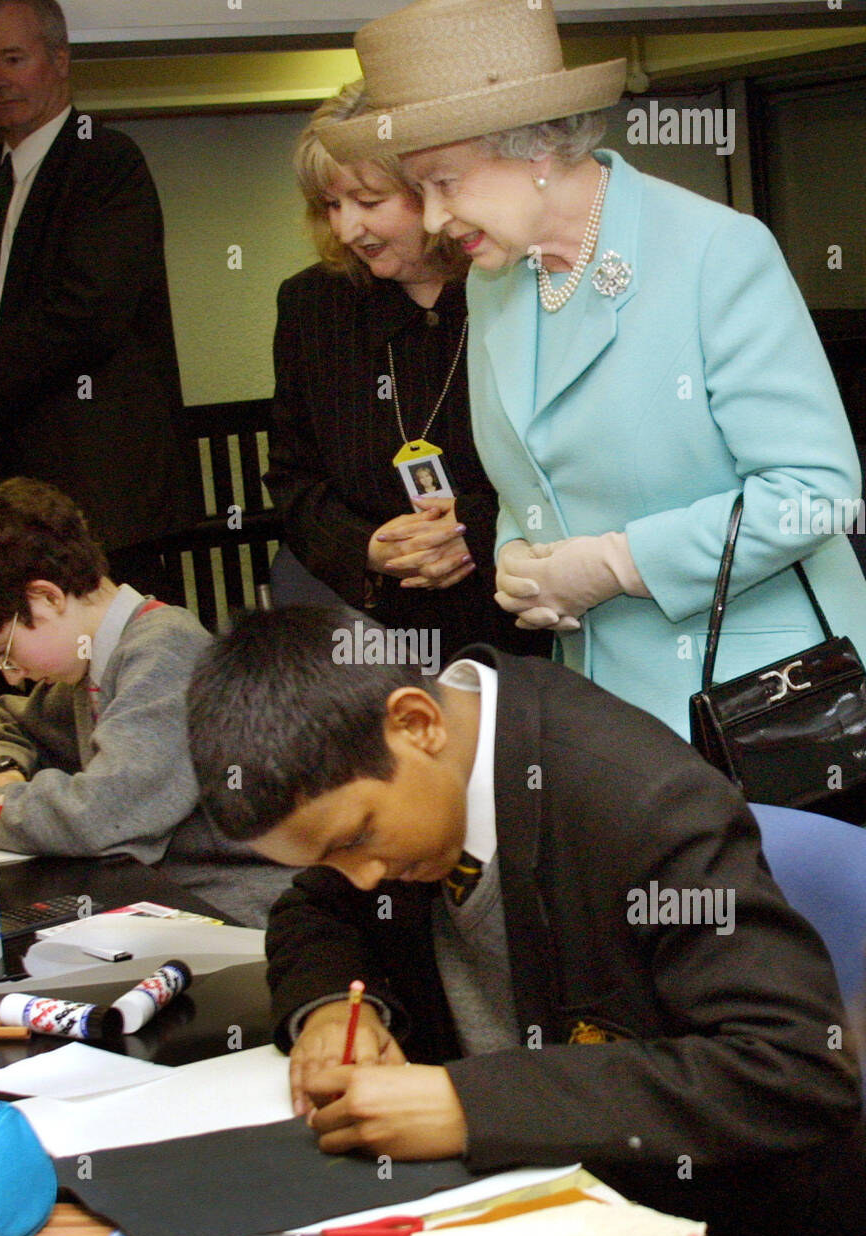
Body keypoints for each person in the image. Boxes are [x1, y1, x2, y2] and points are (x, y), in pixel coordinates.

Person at [187, 605, 866, 1236]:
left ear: (417, 723)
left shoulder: (640, 802)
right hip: (511, 1204)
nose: (358, 877)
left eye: (355, 839)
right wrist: (332, 1010)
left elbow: (794, 1065)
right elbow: (316, 908)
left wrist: (470, 1105)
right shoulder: (394, 789)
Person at [315, 0, 866, 740]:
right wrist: (513, 554)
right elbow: (529, 481)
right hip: (605, 705)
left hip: (766, 702)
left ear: (535, 149)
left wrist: (611, 565)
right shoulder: (495, 282)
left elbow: (815, 492)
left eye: (444, 182)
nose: (436, 219)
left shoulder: (715, 252)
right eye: (420, 191)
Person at [0, 479, 291, 931]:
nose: (11, 674)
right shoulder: (93, 662)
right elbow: (1, 726)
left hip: (235, 912)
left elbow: (109, 815)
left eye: (4, 652)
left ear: (47, 597)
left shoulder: (164, 651)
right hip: (161, 897)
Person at [0, 0, 203, 593]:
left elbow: (86, 313)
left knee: (120, 666)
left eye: (13, 58)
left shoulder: (105, 159)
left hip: (101, 493)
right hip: (16, 482)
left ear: (59, 60)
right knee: (31, 668)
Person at [267, 82, 534, 663]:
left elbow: (564, 469)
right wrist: (367, 547)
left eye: (368, 201)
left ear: (431, 190)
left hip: (519, 617)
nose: (345, 229)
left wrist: (471, 531)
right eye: (331, 206)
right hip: (371, 629)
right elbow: (293, 480)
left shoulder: (519, 289)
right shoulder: (312, 306)